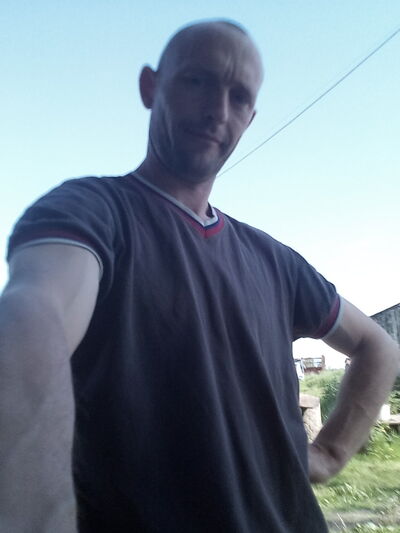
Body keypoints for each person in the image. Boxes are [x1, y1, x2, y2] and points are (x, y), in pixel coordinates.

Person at [0, 19, 398, 533]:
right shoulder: (91, 213)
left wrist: (330, 454)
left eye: (239, 96)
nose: (217, 109)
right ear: (150, 87)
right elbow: (37, 317)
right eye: (197, 80)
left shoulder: (275, 261)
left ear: (250, 118)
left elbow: (378, 347)